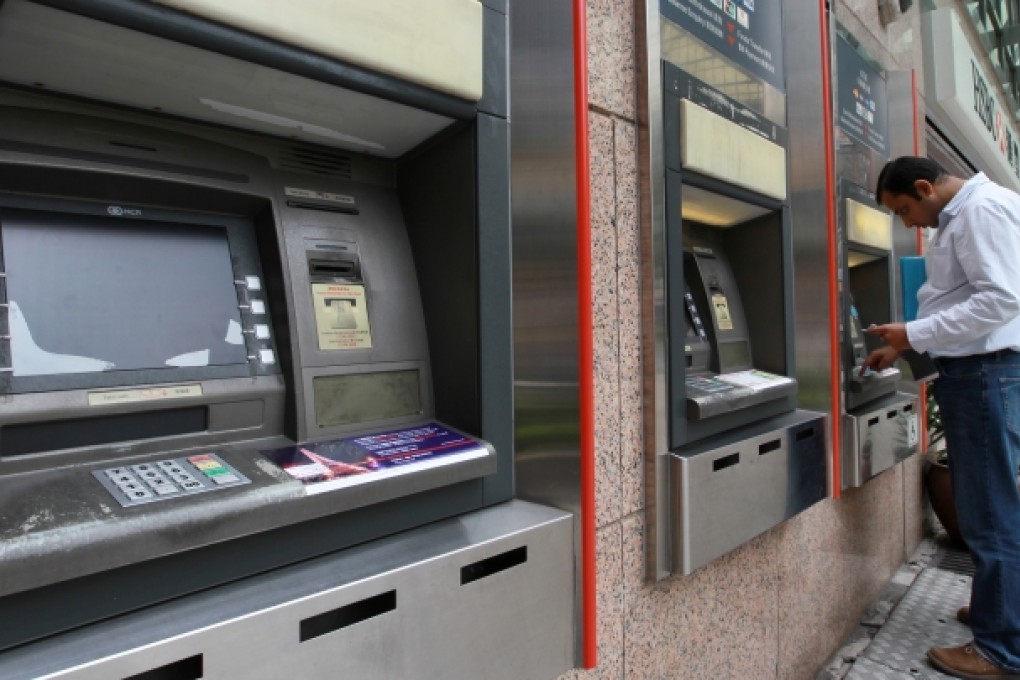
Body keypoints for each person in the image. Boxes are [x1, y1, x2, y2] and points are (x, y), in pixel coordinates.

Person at [863, 156, 1020, 679]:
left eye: (906, 210)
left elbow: (999, 301)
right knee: (993, 502)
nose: (909, 223)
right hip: (984, 374)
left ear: (926, 187)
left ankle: (1001, 649)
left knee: (991, 508)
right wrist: (906, 346)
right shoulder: (970, 212)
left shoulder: (980, 212)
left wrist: (913, 334)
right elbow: (962, 300)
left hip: (986, 376)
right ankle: (999, 612)